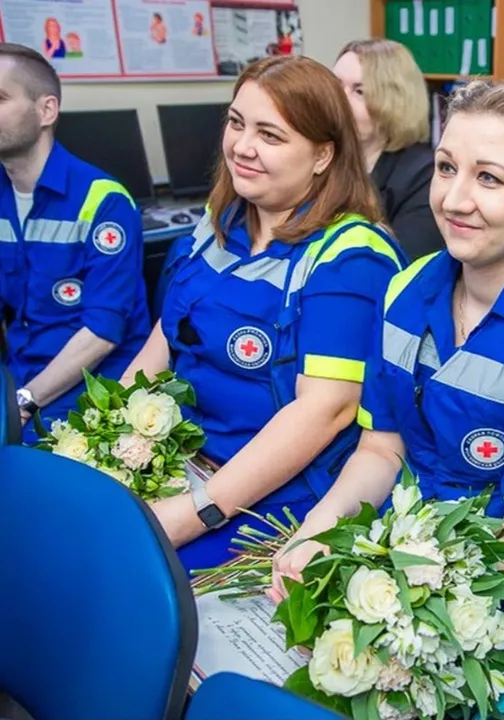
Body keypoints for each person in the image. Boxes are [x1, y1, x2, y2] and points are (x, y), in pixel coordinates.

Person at [269, 80, 504, 631]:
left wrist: (394, 604)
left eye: (489, 178)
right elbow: (380, 452)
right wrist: (316, 536)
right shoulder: (405, 289)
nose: (453, 200)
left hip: (498, 605)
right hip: (392, 564)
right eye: (447, 168)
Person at [122, 55, 407, 572]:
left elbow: (326, 410)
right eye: (236, 123)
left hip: (267, 502)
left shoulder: (351, 257)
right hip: (182, 464)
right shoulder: (221, 220)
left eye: (271, 135)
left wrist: (191, 514)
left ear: (323, 155)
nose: (242, 147)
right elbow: (165, 338)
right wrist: (113, 432)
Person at [0, 43, 150, 442]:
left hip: (92, 390)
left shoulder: (103, 201)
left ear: (46, 110)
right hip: (21, 376)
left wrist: (25, 401)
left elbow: (102, 332)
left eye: (0, 98)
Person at [334, 39, 443, 260]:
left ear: (394, 101)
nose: (339, 102)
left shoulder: (424, 175)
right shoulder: (319, 157)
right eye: (335, 87)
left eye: (359, 91)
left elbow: (403, 264)